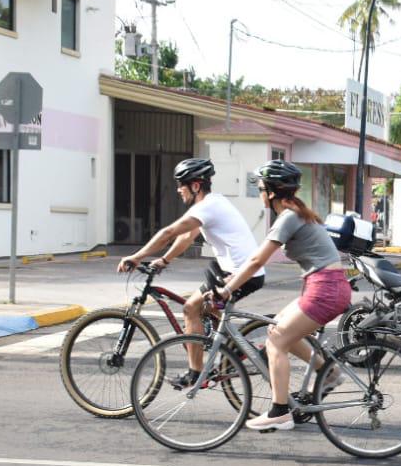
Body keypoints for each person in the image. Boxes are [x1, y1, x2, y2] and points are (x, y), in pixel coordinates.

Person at [211, 159, 351, 433]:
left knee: (275, 342)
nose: (260, 192)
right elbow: (253, 263)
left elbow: (256, 261)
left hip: (325, 289)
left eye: (261, 187)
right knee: (278, 329)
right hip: (325, 285)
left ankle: (279, 412)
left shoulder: (288, 217)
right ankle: (329, 373)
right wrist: (234, 279)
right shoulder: (296, 212)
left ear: (272, 191)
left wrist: (227, 289)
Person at [118, 158, 263, 379]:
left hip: (242, 274)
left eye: (181, 185)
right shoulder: (210, 205)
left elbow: (169, 233)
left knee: (190, 309)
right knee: (204, 308)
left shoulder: (208, 206)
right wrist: (164, 260)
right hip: (229, 269)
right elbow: (187, 236)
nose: (178, 190)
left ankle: (197, 373)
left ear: (195, 186)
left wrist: (137, 256)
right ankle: (233, 347)